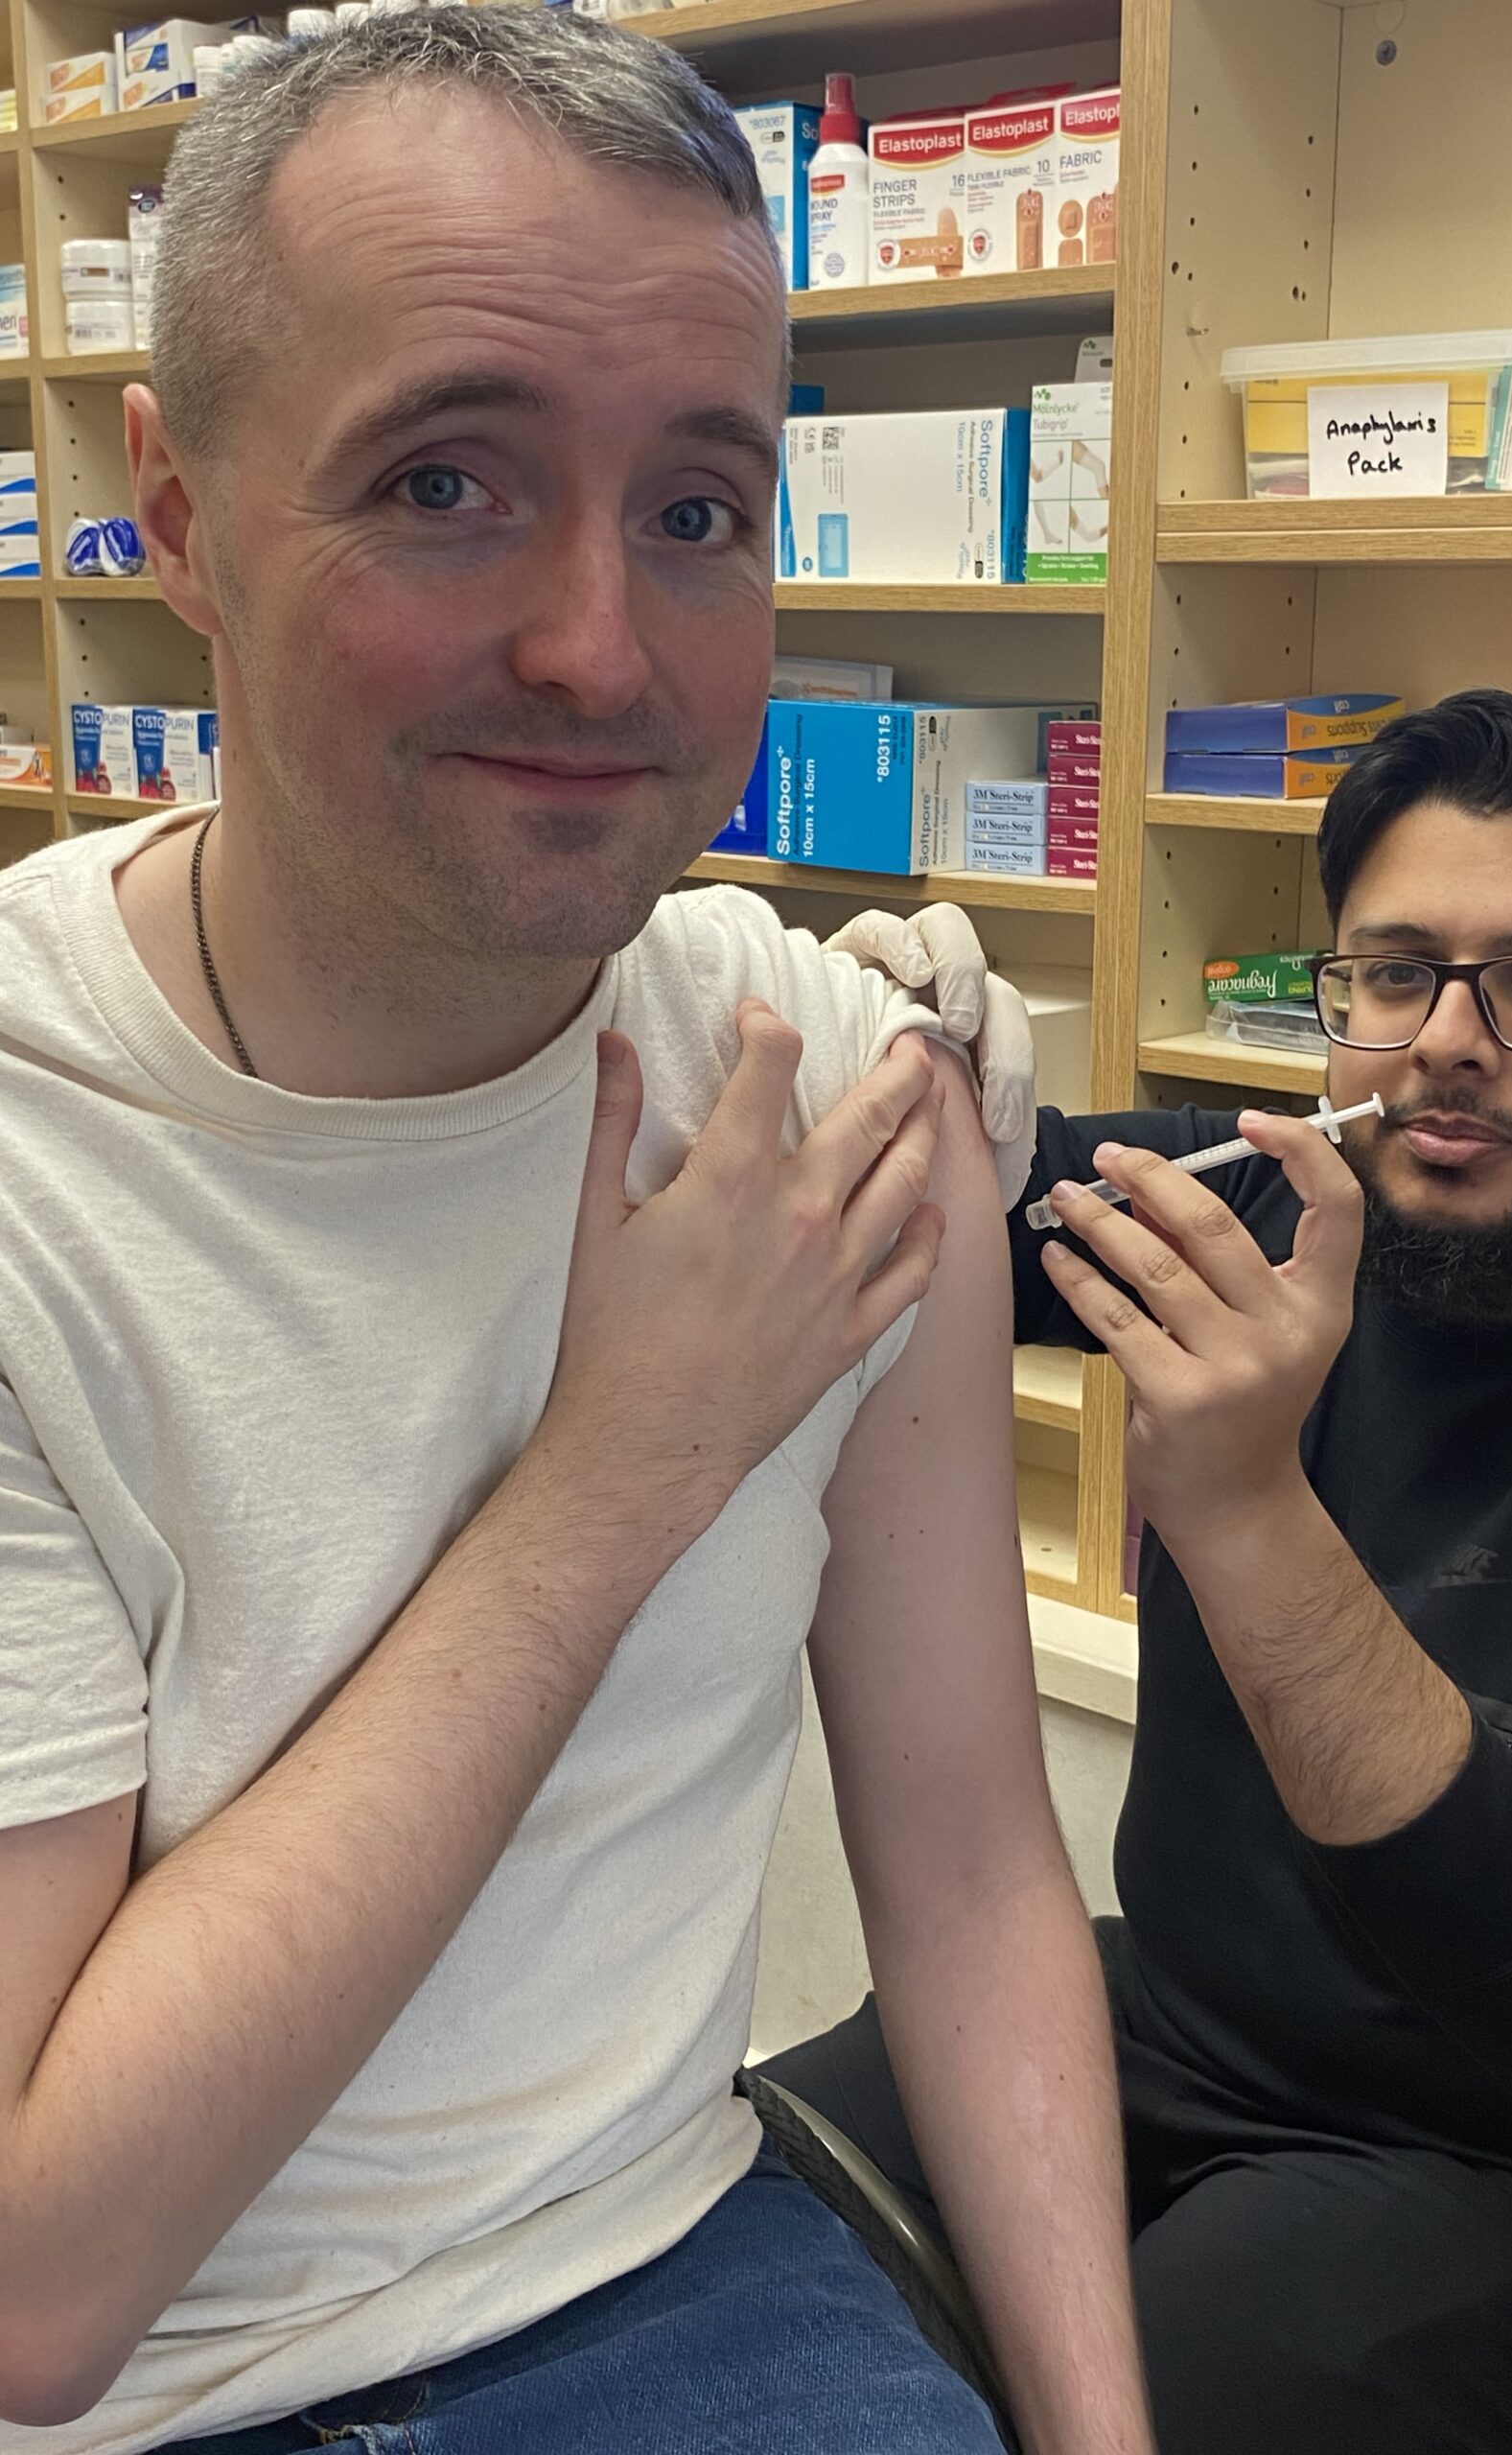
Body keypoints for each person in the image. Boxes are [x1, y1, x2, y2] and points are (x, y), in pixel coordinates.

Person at [0, 15, 1154, 2455]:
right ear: (178, 518)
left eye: (697, 510)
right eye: (445, 481)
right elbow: (36, 2279)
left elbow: (966, 1868)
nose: (601, 649)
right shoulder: (41, 1161)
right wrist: (625, 1468)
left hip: (669, 2277)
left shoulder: (822, 1095)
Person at [773, 690, 1512, 2455]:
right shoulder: (1270, 1212)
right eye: (1395, 974)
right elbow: (892, 1194)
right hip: (1179, 2029)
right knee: (696, 2246)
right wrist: (850, 1037)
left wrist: (1249, 1517)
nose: (1448, 1044)